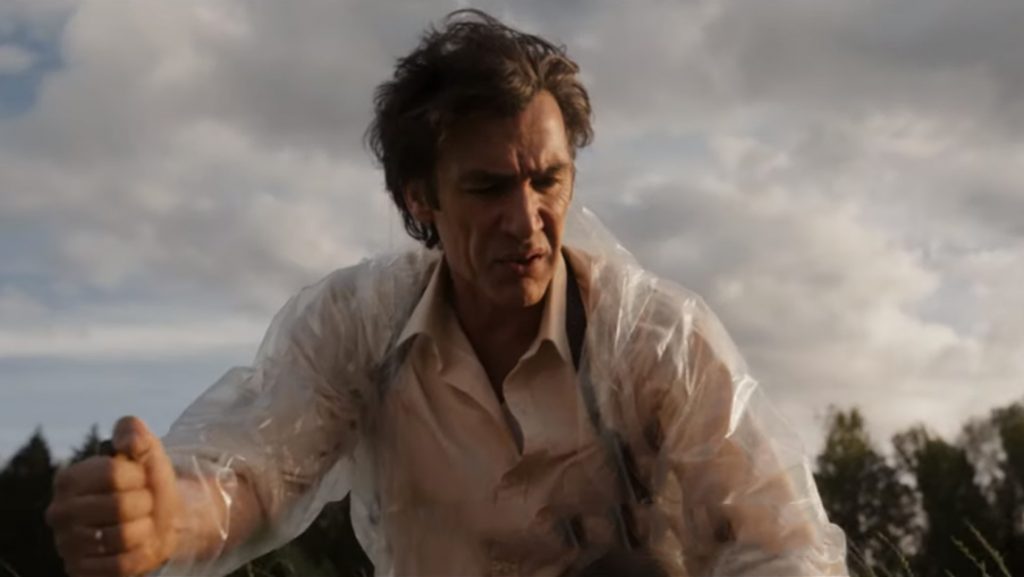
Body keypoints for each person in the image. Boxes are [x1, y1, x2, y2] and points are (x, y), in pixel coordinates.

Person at [45, 9, 848, 577]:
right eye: (488, 187)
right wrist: (167, 518)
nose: (526, 221)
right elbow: (257, 472)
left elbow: (783, 545)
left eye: (548, 180)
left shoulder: (654, 341)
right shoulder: (359, 329)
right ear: (418, 198)